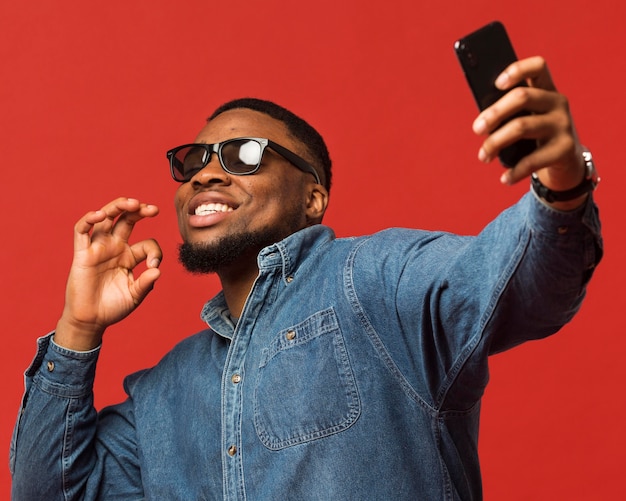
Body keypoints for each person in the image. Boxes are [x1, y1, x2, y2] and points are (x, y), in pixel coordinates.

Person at [10, 56, 602, 500]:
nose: (206, 174)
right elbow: (50, 491)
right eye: (195, 160)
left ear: (313, 196)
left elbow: (524, 282)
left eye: (243, 154)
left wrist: (562, 178)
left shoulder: (377, 280)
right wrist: (77, 327)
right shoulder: (164, 394)